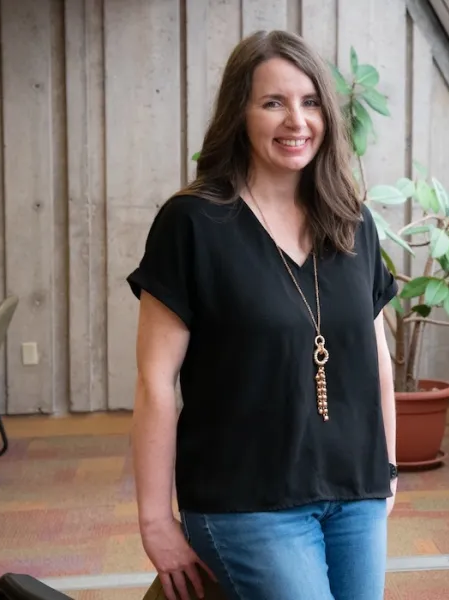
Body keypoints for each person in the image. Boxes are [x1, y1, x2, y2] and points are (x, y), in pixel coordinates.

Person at [126, 30, 398, 600]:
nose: (296, 121)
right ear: (239, 114)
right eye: (273, 102)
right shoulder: (194, 224)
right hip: (246, 501)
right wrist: (156, 521)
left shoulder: (353, 223)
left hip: (356, 497)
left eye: (310, 101)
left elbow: (377, 364)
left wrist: (386, 476)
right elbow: (155, 382)